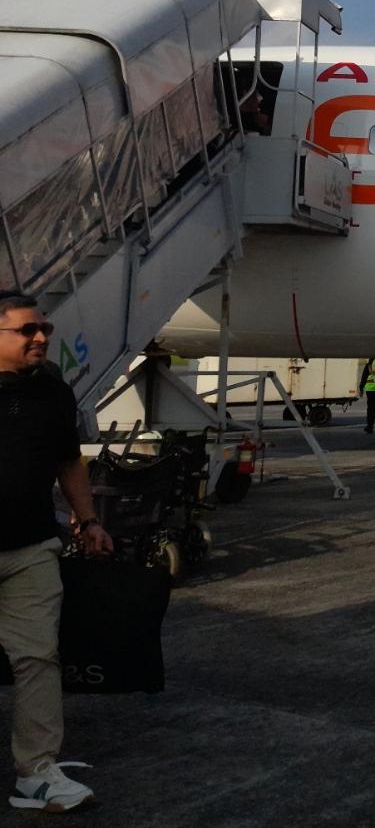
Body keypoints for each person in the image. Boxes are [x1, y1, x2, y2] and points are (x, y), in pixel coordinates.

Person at [0, 290, 113, 813]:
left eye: (43, 328)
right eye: (26, 331)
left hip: (29, 547)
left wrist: (87, 519)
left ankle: (36, 772)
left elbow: (69, 461)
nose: (41, 337)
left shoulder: (52, 390)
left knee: (38, 658)